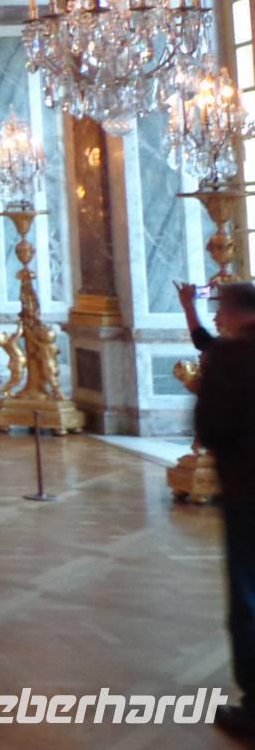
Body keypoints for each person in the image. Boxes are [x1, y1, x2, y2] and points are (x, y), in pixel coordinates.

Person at [177, 281, 255, 737]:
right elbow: (204, 341)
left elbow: (209, 427)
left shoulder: (229, 357)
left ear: (230, 310)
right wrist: (190, 309)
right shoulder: (226, 350)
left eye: (219, 309)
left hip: (246, 491)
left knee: (247, 595)